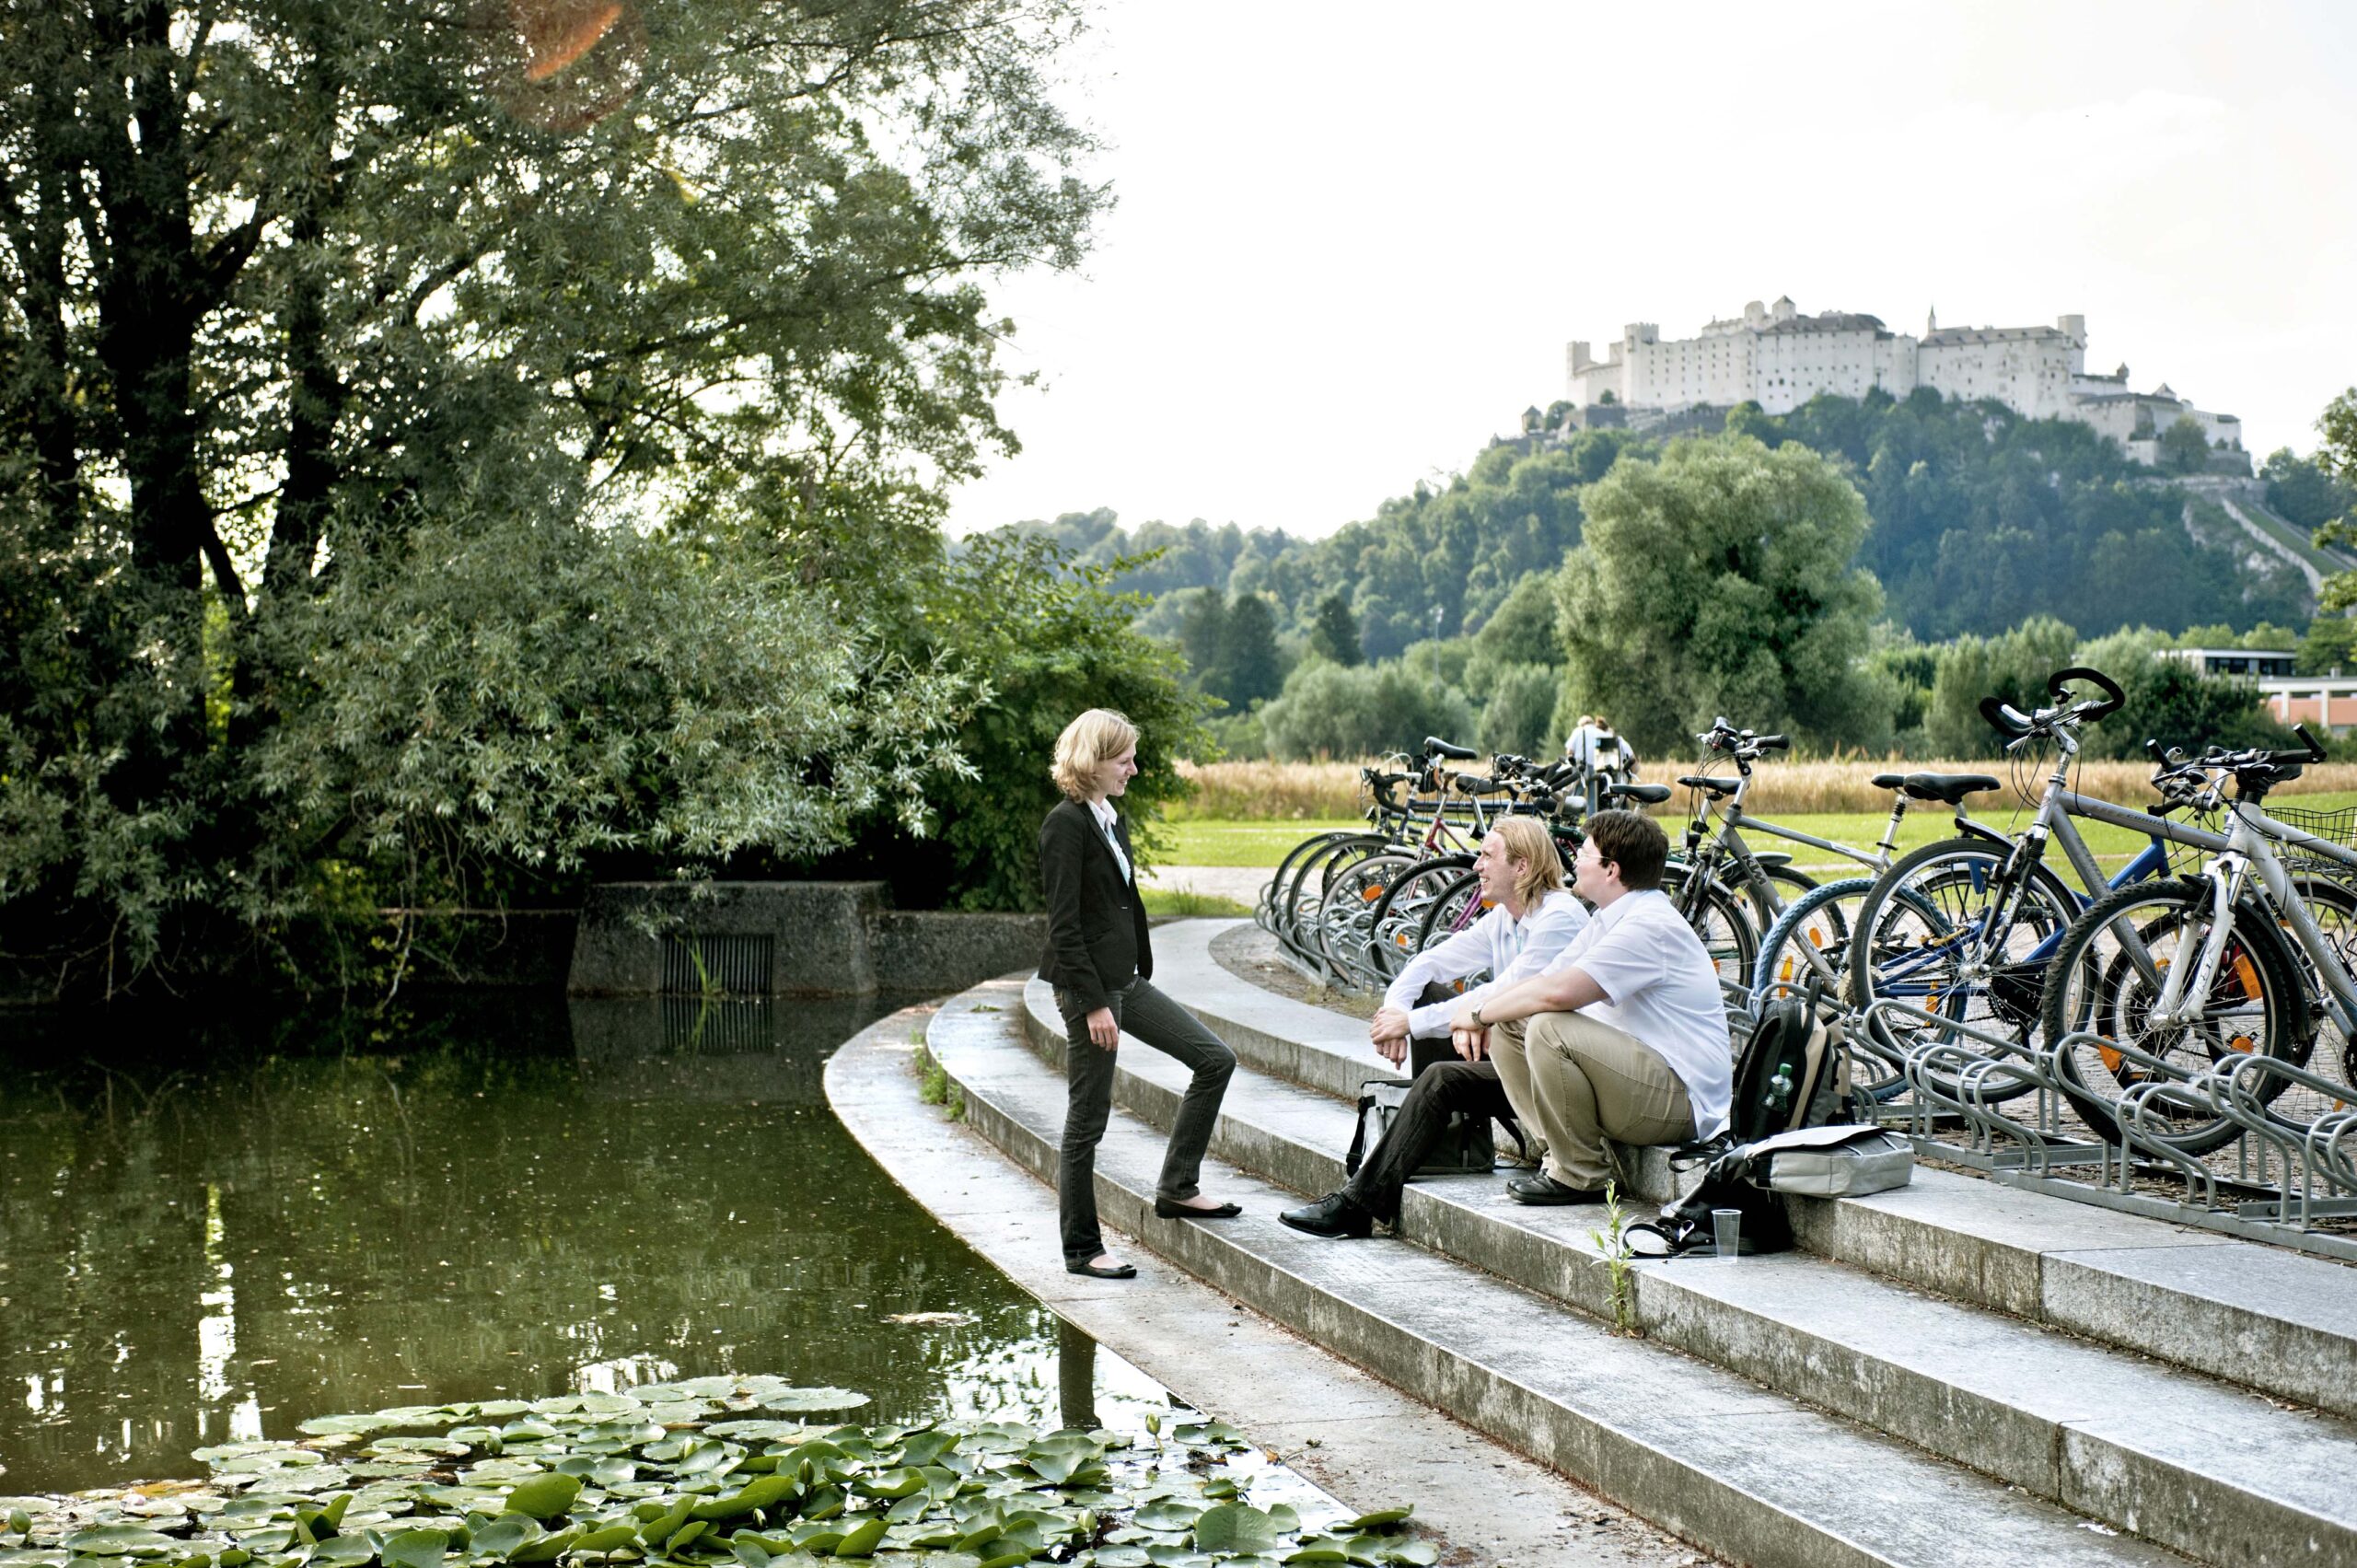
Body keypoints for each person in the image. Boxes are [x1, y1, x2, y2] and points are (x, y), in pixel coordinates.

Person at [1278, 817, 1586, 1239]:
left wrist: (1429, 1022)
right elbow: (1429, 963)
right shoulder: (1506, 918)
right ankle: (1435, 1138)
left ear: (1522, 866)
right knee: (1428, 993)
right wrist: (1397, 1016)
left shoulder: (1560, 918)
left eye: (1487, 856)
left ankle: (1357, 1205)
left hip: (1548, 1073)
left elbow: (1507, 991)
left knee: (1440, 1078)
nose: (1477, 866)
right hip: (1509, 1050)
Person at [1039, 708, 1240, 1279]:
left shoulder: (1108, 817)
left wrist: (1127, 975)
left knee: (1214, 1059)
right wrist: (1094, 1002)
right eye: (1124, 757)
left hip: (1126, 980)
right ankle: (1082, 1249)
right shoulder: (1065, 824)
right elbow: (1064, 925)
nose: (1133, 767)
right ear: (1094, 761)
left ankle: (1178, 1186)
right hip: (1091, 993)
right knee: (1087, 1121)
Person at [1448, 807, 1731, 1205]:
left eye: (1583, 852)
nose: (1574, 860)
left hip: (1681, 1101)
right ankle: (1559, 1153)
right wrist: (1481, 1013)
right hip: (1640, 1079)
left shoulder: (1648, 925)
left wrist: (1475, 1014)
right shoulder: (1608, 918)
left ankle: (1580, 1173)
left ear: (1611, 869)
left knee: (1547, 1025)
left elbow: (1558, 994)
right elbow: (1542, 980)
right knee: (1512, 1021)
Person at [1564, 714, 1637, 780]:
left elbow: (1569, 751)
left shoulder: (1578, 731)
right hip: (1600, 767)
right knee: (1594, 789)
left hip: (1580, 765)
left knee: (1579, 788)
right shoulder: (1606, 735)